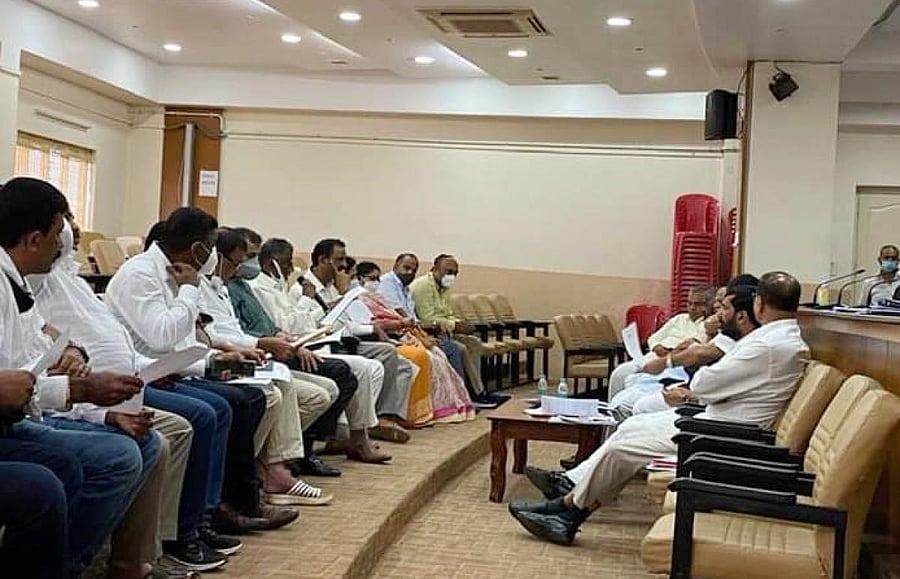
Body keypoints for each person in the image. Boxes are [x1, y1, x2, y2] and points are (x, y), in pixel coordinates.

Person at [509, 272, 809, 546]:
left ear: (759, 303)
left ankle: (567, 510)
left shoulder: (766, 345)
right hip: (719, 422)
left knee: (624, 447)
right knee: (630, 429)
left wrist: (699, 385)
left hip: (722, 435)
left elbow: (704, 382)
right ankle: (568, 507)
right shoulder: (778, 338)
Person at [31, 211, 240, 572]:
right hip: (82, 395)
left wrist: (202, 363)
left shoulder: (68, 280)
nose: (73, 229)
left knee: (217, 408)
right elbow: (162, 336)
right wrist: (103, 409)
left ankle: (156, 546)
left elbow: (124, 348)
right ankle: (168, 540)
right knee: (182, 425)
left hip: (120, 383)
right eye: (63, 222)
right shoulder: (133, 275)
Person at [0, 177, 162, 577]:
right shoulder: (15, 283)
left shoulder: (17, 282)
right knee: (57, 477)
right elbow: (13, 388)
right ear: (35, 239)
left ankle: (66, 564)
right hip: (19, 418)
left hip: (26, 413)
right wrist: (83, 391)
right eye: (59, 233)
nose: (63, 244)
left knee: (134, 447)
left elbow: (35, 361)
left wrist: (85, 387)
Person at [105, 207, 299, 537]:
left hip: (172, 369)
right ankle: (195, 524)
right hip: (145, 375)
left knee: (244, 399)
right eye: (210, 246)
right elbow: (162, 337)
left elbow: (188, 339)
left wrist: (215, 357)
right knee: (213, 410)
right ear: (197, 248)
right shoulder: (141, 275)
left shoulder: (177, 273)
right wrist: (190, 290)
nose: (212, 254)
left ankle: (231, 504)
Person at [199, 228, 334, 504]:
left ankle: (268, 466)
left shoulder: (223, 287)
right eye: (240, 260)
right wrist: (258, 343)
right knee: (273, 394)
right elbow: (211, 335)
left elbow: (235, 330)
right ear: (217, 257)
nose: (244, 265)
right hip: (216, 360)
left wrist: (263, 342)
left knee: (310, 388)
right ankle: (268, 470)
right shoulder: (204, 287)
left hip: (247, 350)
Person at [249, 238, 392, 462]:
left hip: (315, 342)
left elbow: (316, 323)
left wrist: (333, 304)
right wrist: (309, 301)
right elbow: (289, 326)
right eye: (287, 263)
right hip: (296, 348)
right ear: (271, 263)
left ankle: (352, 435)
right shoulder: (269, 288)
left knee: (369, 367)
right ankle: (341, 438)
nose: (291, 269)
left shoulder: (280, 286)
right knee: (358, 370)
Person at [296, 238, 416, 442]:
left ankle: (380, 418)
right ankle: (361, 428)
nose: (344, 265)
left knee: (400, 361)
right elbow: (314, 326)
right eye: (339, 260)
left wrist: (372, 327)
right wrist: (344, 295)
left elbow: (346, 323)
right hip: (322, 345)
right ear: (323, 260)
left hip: (343, 339)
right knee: (371, 365)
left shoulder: (331, 286)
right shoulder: (303, 288)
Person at [356, 261, 475, 425]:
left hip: (404, 332)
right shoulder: (365, 295)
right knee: (427, 355)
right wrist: (406, 327)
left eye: (413, 270)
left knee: (440, 354)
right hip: (382, 337)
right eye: (372, 279)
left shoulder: (391, 292)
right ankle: (409, 413)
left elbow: (408, 318)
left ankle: (453, 403)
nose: (410, 272)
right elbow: (386, 320)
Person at [409, 254, 509, 408]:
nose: (452, 276)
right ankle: (464, 395)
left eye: (455, 273)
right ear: (434, 269)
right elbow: (427, 318)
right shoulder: (423, 286)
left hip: (444, 331)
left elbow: (448, 314)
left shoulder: (443, 287)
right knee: (459, 348)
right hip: (428, 332)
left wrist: (459, 323)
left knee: (474, 343)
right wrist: (454, 325)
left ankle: (479, 391)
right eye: (448, 271)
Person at [607, 285, 714, 400]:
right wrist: (657, 346)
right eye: (689, 303)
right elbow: (653, 338)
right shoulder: (679, 319)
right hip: (655, 355)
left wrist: (671, 353)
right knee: (620, 373)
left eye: (697, 304)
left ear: (708, 306)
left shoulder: (708, 324)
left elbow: (691, 346)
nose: (692, 307)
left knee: (638, 384)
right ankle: (610, 406)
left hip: (676, 363)